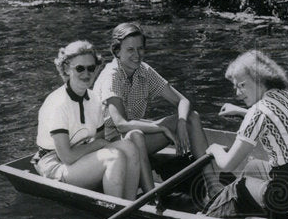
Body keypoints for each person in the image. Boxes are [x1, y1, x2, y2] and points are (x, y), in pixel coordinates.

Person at [204, 50, 288, 219]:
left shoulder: (257, 112)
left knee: (236, 188)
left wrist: (214, 149)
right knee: (253, 167)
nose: (237, 93)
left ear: (260, 80)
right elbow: (274, 118)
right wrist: (242, 111)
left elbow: (227, 165)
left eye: (242, 85)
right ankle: (243, 210)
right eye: (235, 87)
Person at [93, 21, 218, 196]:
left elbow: (183, 101)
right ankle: (152, 197)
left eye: (140, 49)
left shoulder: (144, 71)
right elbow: (121, 124)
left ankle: (213, 187)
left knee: (192, 117)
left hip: (134, 136)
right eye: (130, 50)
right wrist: (160, 127)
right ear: (117, 51)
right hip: (110, 146)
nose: (137, 55)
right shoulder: (111, 76)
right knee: (135, 135)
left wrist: (181, 123)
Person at [32, 40, 147, 201]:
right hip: (55, 163)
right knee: (114, 157)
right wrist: (98, 145)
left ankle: (129, 203)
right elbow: (67, 157)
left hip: (79, 153)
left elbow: (98, 141)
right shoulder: (58, 104)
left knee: (129, 146)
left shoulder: (94, 99)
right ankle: (116, 210)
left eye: (91, 68)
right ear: (66, 68)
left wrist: (98, 145)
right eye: (79, 68)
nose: (86, 74)